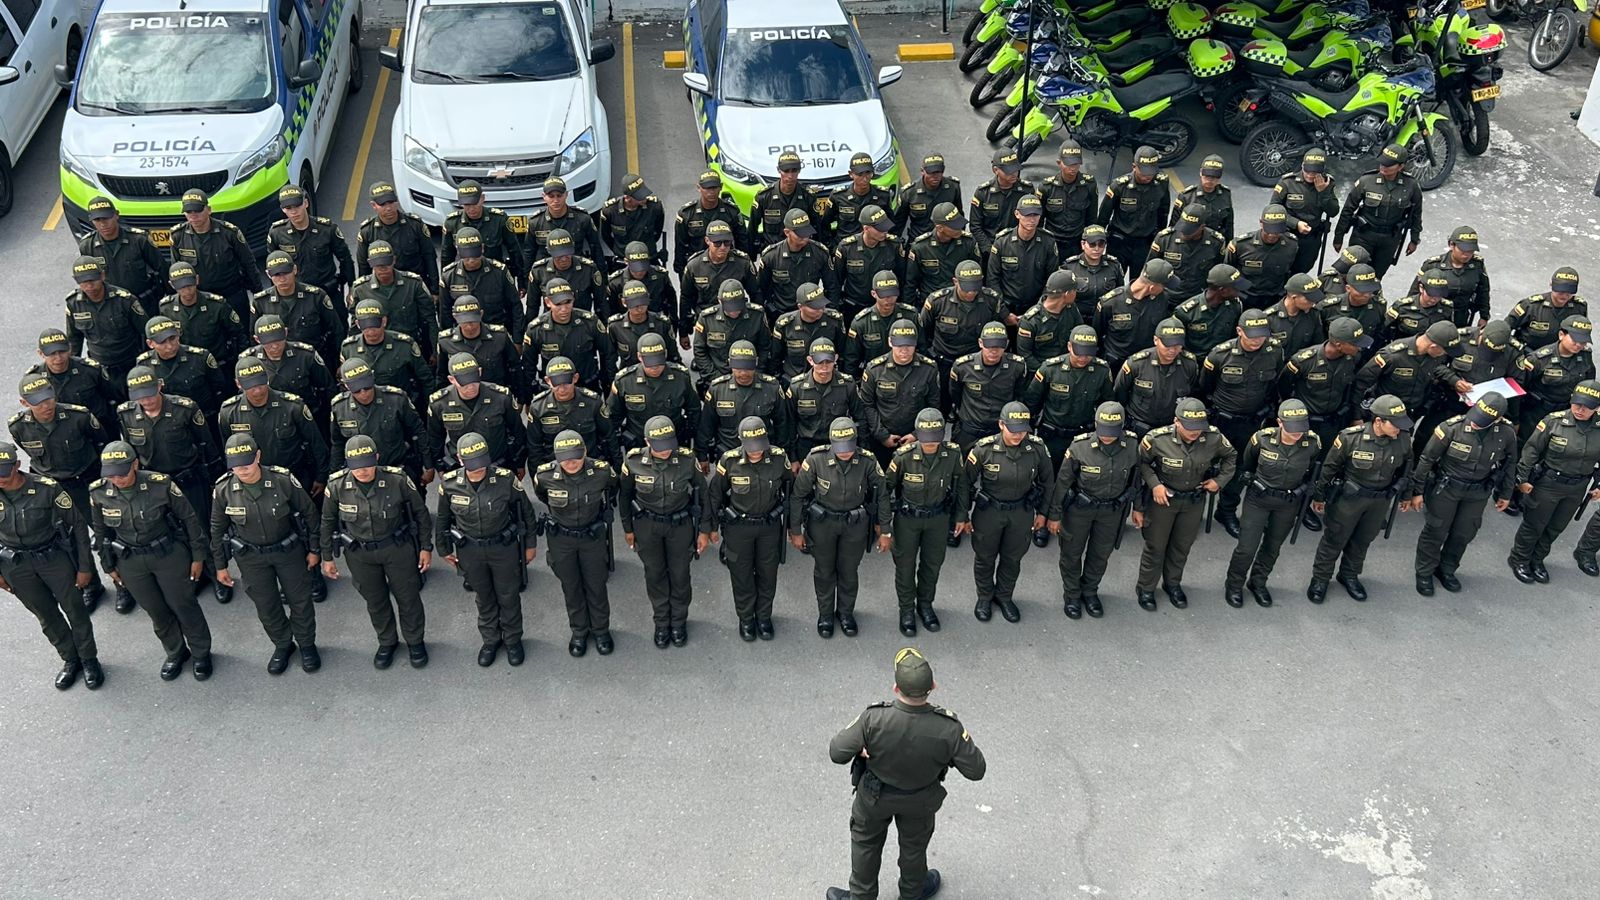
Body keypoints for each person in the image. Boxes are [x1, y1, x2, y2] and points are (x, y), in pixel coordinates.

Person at [825, 648, 986, 900]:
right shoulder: (948, 728)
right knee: (913, 849)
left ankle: (861, 897)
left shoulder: (873, 719)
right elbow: (977, 770)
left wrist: (862, 748)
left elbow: (837, 752)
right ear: (932, 686)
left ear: (895, 688)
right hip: (920, 800)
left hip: (874, 797)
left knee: (866, 845)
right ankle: (912, 893)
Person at [89, 442, 211, 680]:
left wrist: (198, 557)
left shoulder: (160, 484)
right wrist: (108, 565)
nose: (117, 478)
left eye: (122, 472)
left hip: (168, 555)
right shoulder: (98, 492)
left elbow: (189, 519)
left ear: (135, 464)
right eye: (111, 474)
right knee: (156, 610)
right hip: (131, 560)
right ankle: (176, 652)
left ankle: (201, 652)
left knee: (183, 605)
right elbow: (101, 533)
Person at [210, 434, 321, 674]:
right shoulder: (223, 489)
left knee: (300, 601)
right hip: (251, 558)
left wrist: (315, 549)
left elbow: (310, 513)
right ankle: (282, 644)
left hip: (287, 551)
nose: (243, 470)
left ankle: (306, 644)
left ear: (258, 456)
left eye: (247, 463)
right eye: (236, 465)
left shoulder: (282, 480)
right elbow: (217, 530)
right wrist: (220, 566)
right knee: (266, 605)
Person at [320, 435, 433, 670]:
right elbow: (327, 521)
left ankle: (415, 641)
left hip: (397, 548)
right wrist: (327, 557)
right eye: (356, 466)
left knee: (408, 597)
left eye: (367, 464)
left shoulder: (397, 480)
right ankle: (387, 641)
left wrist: (425, 547)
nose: (362, 471)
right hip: (359, 553)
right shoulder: (337, 485)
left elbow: (421, 514)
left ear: (377, 458)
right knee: (375, 600)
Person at [117, 365, 226, 601]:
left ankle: (217, 573)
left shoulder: (184, 408)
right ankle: (195, 576)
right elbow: (131, 452)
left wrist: (214, 479)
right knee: (177, 531)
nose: (145, 399)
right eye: (139, 395)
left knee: (201, 528)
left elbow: (206, 443)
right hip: (156, 485)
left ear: (160, 386)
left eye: (149, 392)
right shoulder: (126, 414)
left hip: (189, 478)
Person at [0, 442, 100, 690]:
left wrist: (85, 567)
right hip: (16, 565)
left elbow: (77, 525)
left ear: (17, 466)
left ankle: (89, 659)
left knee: (75, 610)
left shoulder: (47, 488)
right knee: (45, 615)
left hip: (53, 558)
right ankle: (70, 659)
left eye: (4, 471)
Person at [436, 433, 539, 666]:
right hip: (470, 550)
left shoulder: (505, 479)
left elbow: (526, 513)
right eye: (472, 465)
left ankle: (513, 640)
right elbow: (443, 519)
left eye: (482, 463)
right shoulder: (450, 484)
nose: (478, 469)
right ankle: (491, 640)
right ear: (460, 460)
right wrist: (443, 550)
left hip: (503, 547)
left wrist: (530, 545)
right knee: (483, 597)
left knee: (508, 596)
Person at [11, 374, 111, 610]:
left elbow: (101, 444)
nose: (46, 405)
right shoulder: (18, 426)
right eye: (38, 402)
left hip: (84, 482)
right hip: (52, 490)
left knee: (105, 533)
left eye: (49, 398)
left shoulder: (78, 416)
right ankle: (91, 585)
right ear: (25, 403)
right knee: (69, 540)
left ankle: (122, 580)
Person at [1307, 395, 1416, 603]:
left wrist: (1407, 494)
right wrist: (1319, 496)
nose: (1399, 429)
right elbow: (1329, 468)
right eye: (1395, 424)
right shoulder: (1350, 438)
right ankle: (1320, 579)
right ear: (1378, 422)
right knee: (1334, 539)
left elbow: (1406, 469)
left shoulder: (1402, 439)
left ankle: (1349, 575)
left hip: (1379, 501)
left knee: (1363, 540)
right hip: (1349, 500)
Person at [1133, 398, 1237, 609]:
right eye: (1189, 427)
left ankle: (1172, 584)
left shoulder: (1213, 437)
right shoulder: (1156, 438)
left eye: (1199, 428)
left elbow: (1231, 456)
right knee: (1156, 546)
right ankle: (1146, 588)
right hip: (1163, 501)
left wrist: (1220, 481)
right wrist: (1154, 484)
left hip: (1193, 500)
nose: (1194, 432)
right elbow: (1140, 463)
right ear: (1176, 421)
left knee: (1182, 546)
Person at [1410, 391, 1516, 595]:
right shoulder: (1451, 428)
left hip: (1477, 492)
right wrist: (1418, 491)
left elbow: (1510, 464)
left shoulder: (1506, 433)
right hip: (1447, 488)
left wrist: (1506, 493)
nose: (1476, 423)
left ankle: (1447, 569)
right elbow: (1427, 459)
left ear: (1498, 419)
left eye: (1483, 421)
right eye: (1476, 416)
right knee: (1435, 530)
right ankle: (1424, 572)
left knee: (1464, 533)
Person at [792, 417, 887, 638]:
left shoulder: (867, 460)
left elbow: (881, 495)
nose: (844, 452)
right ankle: (825, 614)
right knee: (824, 571)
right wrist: (795, 530)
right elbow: (798, 495)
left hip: (854, 525)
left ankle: (845, 613)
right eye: (840, 448)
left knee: (848, 571)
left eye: (848, 447)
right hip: (823, 524)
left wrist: (885, 529)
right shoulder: (816, 459)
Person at [619, 416, 708, 648]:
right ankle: (661, 622)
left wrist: (705, 530)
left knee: (680, 574)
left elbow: (704, 494)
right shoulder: (633, 461)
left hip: (680, 524)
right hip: (647, 525)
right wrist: (628, 528)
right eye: (659, 446)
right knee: (655, 573)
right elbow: (625, 496)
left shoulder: (687, 460)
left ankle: (678, 622)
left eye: (669, 444)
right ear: (647, 441)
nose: (666, 451)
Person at [702, 417, 792, 641]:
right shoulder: (729, 461)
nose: (756, 452)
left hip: (769, 526)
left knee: (767, 573)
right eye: (751, 447)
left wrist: (793, 527)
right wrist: (712, 527)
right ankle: (746, 618)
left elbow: (791, 490)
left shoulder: (779, 458)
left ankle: (763, 617)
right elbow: (715, 495)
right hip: (738, 528)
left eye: (760, 446)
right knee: (741, 575)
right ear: (741, 441)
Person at [1197, 310, 1287, 536]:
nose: (1257, 340)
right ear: (1239, 331)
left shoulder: (1274, 351)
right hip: (1222, 420)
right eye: (1252, 335)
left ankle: (1226, 510)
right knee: (1203, 464)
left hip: (1252, 422)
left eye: (1262, 335)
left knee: (1242, 468)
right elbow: (1204, 388)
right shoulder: (1220, 355)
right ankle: (1191, 510)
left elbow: (1274, 385)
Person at [1223, 401, 1321, 608]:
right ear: (1279, 422)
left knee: (1272, 547)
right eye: (1292, 428)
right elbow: (1248, 465)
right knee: (1246, 547)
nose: (1297, 433)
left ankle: (1258, 582)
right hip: (1259, 499)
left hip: (1288, 502)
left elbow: (1311, 469)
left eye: (1301, 428)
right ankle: (1234, 585)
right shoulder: (1261, 439)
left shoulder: (1312, 443)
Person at [1279, 317, 1372, 531]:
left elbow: (1351, 388)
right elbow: (1283, 389)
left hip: (1333, 420)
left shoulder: (1352, 358)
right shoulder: (1303, 360)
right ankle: (1296, 506)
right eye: (1354, 343)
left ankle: (1315, 500)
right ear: (1338, 344)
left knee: (1326, 464)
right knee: (1300, 464)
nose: (1359, 348)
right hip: (1306, 422)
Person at [1046, 401, 1138, 618]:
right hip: (1080, 510)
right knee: (1071, 553)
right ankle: (1071, 594)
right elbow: (1062, 483)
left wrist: (1139, 509)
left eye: (1113, 432)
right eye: (1103, 430)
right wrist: (1054, 515)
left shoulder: (1132, 445)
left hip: (1111, 511)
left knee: (1100, 554)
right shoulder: (1080, 447)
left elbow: (1136, 480)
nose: (1107, 436)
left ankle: (1090, 591)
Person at [883, 408, 969, 636]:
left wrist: (961, 515)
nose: (931, 444)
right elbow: (885, 490)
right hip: (908, 520)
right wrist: (882, 525)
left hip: (938, 519)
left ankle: (925, 605)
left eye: (935, 439)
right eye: (926, 439)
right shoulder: (903, 456)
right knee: (905, 566)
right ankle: (906, 610)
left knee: (932, 565)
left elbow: (961, 486)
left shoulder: (952, 454)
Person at [532, 430, 618, 657]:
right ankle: (579, 631)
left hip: (592, 536)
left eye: (576, 457)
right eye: (565, 458)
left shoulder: (601, 471)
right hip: (562, 538)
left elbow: (613, 487)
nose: (571, 463)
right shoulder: (544, 476)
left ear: (585, 452)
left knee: (596, 585)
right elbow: (542, 496)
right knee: (571, 587)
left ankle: (601, 630)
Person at [964, 402, 1052, 622]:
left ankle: (1004, 596)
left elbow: (1048, 483)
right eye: (1013, 429)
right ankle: (984, 596)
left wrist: (1043, 513)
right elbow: (964, 484)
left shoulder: (1037, 449)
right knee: (985, 557)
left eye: (1023, 430)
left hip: (1021, 512)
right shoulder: (983, 449)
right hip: (989, 512)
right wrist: (961, 516)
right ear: (1001, 424)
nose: (1018, 435)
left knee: (1013, 558)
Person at [1513, 382, 1600, 582]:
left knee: (1555, 527)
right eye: (1577, 404)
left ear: (1597, 408)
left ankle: (1537, 559)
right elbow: (1531, 450)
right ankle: (1519, 559)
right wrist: (1522, 478)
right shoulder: (1554, 421)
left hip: (1577, 487)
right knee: (1534, 524)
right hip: (1548, 483)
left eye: (1587, 406)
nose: (1580, 409)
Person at [1024, 325, 1114, 466]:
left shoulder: (1102, 371)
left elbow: (1108, 403)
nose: (1083, 358)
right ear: (1069, 346)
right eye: (1079, 352)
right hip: (1053, 436)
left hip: (1083, 435)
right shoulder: (1050, 369)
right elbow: (1031, 402)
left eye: (1088, 353)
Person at [328, 358, 429, 482]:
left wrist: (428, 465)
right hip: (361, 476)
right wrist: (335, 476)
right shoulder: (339, 407)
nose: (364, 393)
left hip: (397, 470)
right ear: (346, 386)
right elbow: (337, 444)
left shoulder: (395, 398)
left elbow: (418, 430)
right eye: (357, 390)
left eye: (367, 387)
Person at [919, 260, 1007, 400]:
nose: (971, 292)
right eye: (967, 288)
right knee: (942, 400)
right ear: (955, 281)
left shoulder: (991, 300)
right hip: (944, 361)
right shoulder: (937, 301)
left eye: (975, 287)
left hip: (974, 365)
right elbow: (923, 331)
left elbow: (994, 330)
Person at [168, 188, 262, 319]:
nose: (193, 216)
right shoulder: (178, 236)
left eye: (198, 210)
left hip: (231, 295)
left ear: (209, 210)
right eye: (189, 212)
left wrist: (258, 294)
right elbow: (176, 272)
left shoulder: (229, 233)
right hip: (200, 299)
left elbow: (248, 263)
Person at [860, 320, 942, 468]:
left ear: (916, 344)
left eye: (909, 345)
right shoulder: (874, 369)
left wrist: (916, 435)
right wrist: (882, 435)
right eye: (899, 345)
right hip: (882, 439)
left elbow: (933, 405)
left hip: (916, 439)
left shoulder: (929, 369)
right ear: (890, 342)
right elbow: (867, 405)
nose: (904, 350)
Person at [426, 354, 526, 475]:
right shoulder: (439, 403)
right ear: (452, 380)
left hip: (499, 464)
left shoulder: (501, 397)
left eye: (473, 380)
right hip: (461, 469)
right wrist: (440, 467)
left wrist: (519, 463)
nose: (471, 387)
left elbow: (518, 431)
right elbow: (435, 438)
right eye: (464, 383)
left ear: (479, 372)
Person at [1333, 143, 1422, 278]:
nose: (1383, 167)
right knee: (1354, 274)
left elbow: (1416, 213)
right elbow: (1348, 210)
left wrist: (1414, 239)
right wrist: (1338, 236)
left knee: (1376, 277)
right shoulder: (1366, 181)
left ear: (1401, 167)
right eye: (1382, 163)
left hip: (1389, 239)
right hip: (1364, 236)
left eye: (1389, 165)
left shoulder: (1411, 185)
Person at [697, 340, 791, 463]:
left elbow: (782, 424)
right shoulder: (717, 389)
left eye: (748, 367)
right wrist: (702, 456)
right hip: (729, 455)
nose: (743, 373)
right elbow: (706, 426)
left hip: (761, 454)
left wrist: (783, 455)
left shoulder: (771, 387)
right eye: (738, 368)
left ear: (756, 362)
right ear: (730, 363)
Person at [605, 333, 700, 454]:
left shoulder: (681, 377)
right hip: (638, 445)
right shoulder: (624, 381)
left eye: (658, 361)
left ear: (665, 354)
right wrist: (614, 454)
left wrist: (698, 449)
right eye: (650, 361)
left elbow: (695, 411)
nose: (655, 367)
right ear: (639, 356)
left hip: (671, 444)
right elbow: (612, 418)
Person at [251, 251, 344, 369]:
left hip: (318, 358)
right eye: (277, 274)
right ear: (268, 275)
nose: (282, 279)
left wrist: (341, 362)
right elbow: (255, 339)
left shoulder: (316, 296)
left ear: (294, 269)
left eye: (286, 272)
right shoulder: (261, 302)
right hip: (282, 365)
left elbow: (336, 330)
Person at [64, 255, 149, 382]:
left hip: (131, 364)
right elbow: (74, 339)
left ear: (102, 276)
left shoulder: (124, 300)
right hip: (101, 368)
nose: (89, 287)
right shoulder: (74, 304)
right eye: (83, 282)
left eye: (92, 280)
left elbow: (146, 330)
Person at [268, 184, 356, 306]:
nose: (294, 212)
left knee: (340, 323)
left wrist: (351, 288)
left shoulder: (327, 229)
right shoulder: (277, 233)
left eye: (297, 206)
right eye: (288, 208)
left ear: (306, 203)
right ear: (283, 209)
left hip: (327, 292)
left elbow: (345, 258)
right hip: (298, 298)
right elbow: (274, 267)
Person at [352, 240, 440, 362]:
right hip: (377, 352)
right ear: (370, 264)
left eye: (386, 263)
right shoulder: (360, 289)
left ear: (394, 260)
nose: (383, 268)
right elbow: (355, 327)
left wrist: (435, 351)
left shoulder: (413, 283)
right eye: (378, 264)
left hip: (412, 348)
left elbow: (430, 319)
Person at [341, 299, 436, 412]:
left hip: (401, 407)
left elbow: (425, 378)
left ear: (384, 321)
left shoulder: (404, 344)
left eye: (375, 324)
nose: (371, 331)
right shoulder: (348, 348)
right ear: (357, 324)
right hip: (366, 409)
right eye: (365, 325)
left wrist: (429, 408)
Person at [26, 329, 123, 435]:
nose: (58, 358)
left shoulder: (90, 370)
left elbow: (113, 397)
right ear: (41, 353)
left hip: (99, 429)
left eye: (62, 351)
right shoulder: (35, 380)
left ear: (70, 348)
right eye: (52, 354)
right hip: (64, 434)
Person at [1115, 317, 1200, 437]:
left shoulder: (1189, 364)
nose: (1173, 350)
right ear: (1156, 340)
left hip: (1170, 429)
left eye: (1177, 345)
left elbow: (1193, 391)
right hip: (1139, 426)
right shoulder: (1137, 363)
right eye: (1168, 345)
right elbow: (1120, 392)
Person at [1093, 257, 1182, 372]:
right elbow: (1097, 334)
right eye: (1163, 286)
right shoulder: (1110, 303)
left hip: (1146, 364)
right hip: (1116, 364)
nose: (1165, 289)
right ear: (1152, 287)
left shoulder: (1163, 299)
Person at [78, 195, 169, 305]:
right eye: (97, 220)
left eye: (106, 218)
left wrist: (171, 299)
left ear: (116, 215)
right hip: (113, 305)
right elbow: (89, 278)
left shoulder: (138, 239)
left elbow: (161, 268)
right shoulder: (87, 246)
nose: (102, 224)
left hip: (144, 302)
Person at [527, 356, 615, 470]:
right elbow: (534, 447)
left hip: (589, 467)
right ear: (548, 381)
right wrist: (537, 477)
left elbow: (609, 435)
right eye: (557, 384)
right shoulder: (538, 407)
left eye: (566, 383)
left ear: (575, 378)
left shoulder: (593, 402)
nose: (562, 389)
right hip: (554, 469)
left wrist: (617, 467)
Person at [950, 322, 1027, 449]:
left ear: (1006, 344)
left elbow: (1019, 396)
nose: (994, 350)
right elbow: (955, 394)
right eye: (989, 345)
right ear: (980, 343)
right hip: (970, 429)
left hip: (1000, 430)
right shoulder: (962, 367)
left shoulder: (1017, 367)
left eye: (999, 345)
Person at [440, 227, 524, 339]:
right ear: (458, 250)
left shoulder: (499, 272)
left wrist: (518, 340)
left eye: (475, 254)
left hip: (497, 334)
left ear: (482, 248)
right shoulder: (449, 275)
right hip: (465, 335)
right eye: (466, 255)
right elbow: (445, 313)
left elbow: (515, 306)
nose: (471, 260)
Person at [788, 338, 864, 460]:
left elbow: (860, 418)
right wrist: (793, 458)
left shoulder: (847, 384)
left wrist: (862, 451)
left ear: (836, 359)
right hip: (806, 447)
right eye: (820, 362)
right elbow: (789, 424)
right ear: (810, 360)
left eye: (828, 361)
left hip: (839, 446)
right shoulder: (797, 387)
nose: (824, 367)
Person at [680, 221, 759, 339]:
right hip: (707, 323)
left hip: (737, 319)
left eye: (727, 242)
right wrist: (684, 331)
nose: (723, 247)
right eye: (717, 243)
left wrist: (755, 323)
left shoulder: (743, 263)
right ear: (707, 241)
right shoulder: (694, 265)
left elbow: (756, 294)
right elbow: (686, 298)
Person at [159, 261, 248, 366]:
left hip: (218, 363)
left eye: (189, 284)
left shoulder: (216, 305)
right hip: (187, 366)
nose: (187, 290)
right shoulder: (166, 308)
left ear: (197, 280)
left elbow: (239, 334)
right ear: (172, 285)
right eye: (181, 287)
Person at [1097, 145, 1171, 271]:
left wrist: (1160, 240)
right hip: (1119, 243)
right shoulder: (1119, 186)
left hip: (1145, 244)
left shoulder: (1161, 184)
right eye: (1143, 172)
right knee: (1114, 280)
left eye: (1151, 172)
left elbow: (1163, 212)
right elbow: (1103, 216)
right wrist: (1098, 242)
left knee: (1139, 283)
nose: (1147, 176)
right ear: (1134, 167)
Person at [755, 209, 839, 320]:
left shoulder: (820, 253)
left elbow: (832, 287)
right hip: (781, 314)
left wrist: (828, 313)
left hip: (811, 314)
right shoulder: (771, 256)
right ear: (787, 232)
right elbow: (761, 290)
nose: (805, 236)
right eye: (799, 233)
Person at [985, 195, 1059, 320]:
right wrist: (1004, 313)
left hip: (1036, 308)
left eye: (1035, 215)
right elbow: (992, 280)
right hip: (1007, 308)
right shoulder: (1002, 242)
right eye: (1027, 215)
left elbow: (1052, 280)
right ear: (1017, 214)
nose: (1032, 219)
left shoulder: (1048, 242)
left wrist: (1039, 310)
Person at [357, 181, 438, 292]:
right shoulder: (367, 231)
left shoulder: (415, 225)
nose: (388, 208)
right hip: (384, 288)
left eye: (391, 202)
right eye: (383, 204)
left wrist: (434, 290)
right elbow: (363, 266)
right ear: (373, 205)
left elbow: (429, 257)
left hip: (415, 286)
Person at [1271, 147, 1340, 274]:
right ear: (1302, 165)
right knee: (1282, 269)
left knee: (1303, 269)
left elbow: (1333, 211)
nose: (1310, 175)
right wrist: (1295, 223)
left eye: (1314, 173)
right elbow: (1273, 209)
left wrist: (1323, 193)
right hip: (1289, 234)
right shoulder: (1288, 182)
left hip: (1311, 238)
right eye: (1307, 171)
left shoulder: (1327, 183)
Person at [1408, 225, 1490, 328]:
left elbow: (1483, 291)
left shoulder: (1478, 265)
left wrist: (1484, 316)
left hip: (1462, 315)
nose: (1467, 255)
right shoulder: (1433, 265)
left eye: (1471, 251)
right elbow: (1415, 291)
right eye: (1463, 250)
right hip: (1435, 315)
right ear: (1451, 245)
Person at [441, 181, 526, 279]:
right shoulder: (452, 222)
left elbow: (514, 249)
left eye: (474, 203)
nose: (471, 209)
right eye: (467, 205)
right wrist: (444, 282)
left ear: (482, 198)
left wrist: (521, 281)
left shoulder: (499, 219)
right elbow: (446, 255)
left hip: (494, 274)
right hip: (465, 276)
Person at [833, 206, 905, 319]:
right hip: (854, 306)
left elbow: (903, 277)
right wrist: (835, 309)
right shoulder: (847, 247)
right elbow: (836, 281)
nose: (885, 231)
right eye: (880, 228)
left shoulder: (894, 245)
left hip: (884, 307)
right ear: (866, 228)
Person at [750, 151, 830, 253]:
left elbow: (817, 229)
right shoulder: (764, 197)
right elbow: (752, 229)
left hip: (801, 250)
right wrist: (754, 253)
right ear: (779, 170)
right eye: (786, 171)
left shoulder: (808, 197)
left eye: (794, 171)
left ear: (799, 171)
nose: (790, 176)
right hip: (773, 253)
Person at [903, 202, 980, 306]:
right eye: (954, 225)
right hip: (932, 303)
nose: (960, 227)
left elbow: (978, 274)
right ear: (940, 228)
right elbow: (911, 283)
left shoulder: (968, 242)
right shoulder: (920, 247)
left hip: (962, 301)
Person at [674, 170, 749, 277]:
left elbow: (742, 240)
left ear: (721, 187)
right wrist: (682, 271)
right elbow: (680, 245)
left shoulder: (731, 211)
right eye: (707, 188)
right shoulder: (686, 214)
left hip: (726, 266)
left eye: (714, 188)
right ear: (698, 188)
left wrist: (744, 265)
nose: (711, 192)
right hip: (698, 268)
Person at [845, 272, 922, 375]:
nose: (888, 299)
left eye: (892, 294)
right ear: (874, 294)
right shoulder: (861, 322)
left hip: (907, 375)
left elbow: (921, 349)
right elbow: (851, 360)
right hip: (875, 377)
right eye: (884, 295)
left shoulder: (911, 316)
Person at [692, 281, 771, 380]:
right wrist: (713, 376)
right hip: (718, 373)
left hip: (749, 373)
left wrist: (757, 373)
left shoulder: (757, 315)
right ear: (719, 301)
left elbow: (765, 347)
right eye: (729, 308)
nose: (734, 311)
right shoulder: (706, 318)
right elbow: (699, 350)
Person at [1147, 204, 1227, 300]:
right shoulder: (1164, 238)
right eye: (1183, 226)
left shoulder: (1216, 242)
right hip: (1167, 298)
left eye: (1189, 230)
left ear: (1202, 227)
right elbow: (1149, 270)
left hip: (1198, 298)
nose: (1183, 232)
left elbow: (1220, 272)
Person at [1225, 204, 1298, 309]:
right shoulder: (1240, 245)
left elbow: (1294, 270)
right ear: (1261, 223)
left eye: (1277, 231)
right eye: (1269, 230)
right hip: (1247, 298)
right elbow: (1228, 272)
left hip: (1275, 298)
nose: (1272, 235)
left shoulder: (1291, 244)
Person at [968, 147, 1036, 257]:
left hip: (1018, 248)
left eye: (1016, 169)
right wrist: (989, 249)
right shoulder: (983, 193)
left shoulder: (1026, 191)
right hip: (990, 248)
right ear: (995, 170)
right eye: (1009, 171)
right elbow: (975, 226)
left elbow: (1033, 220)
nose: (1014, 173)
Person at [1037, 140, 1098, 260]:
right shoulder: (1046, 187)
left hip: (1077, 243)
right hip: (1053, 242)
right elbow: (1038, 220)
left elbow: (1092, 218)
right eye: (1069, 164)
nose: (1073, 168)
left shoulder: (1089, 185)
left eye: (1076, 164)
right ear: (1059, 163)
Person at [772, 283, 848, 379]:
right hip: (794, 380)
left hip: (825, 378)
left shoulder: (834, 320)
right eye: (815, 307)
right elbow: (775, 357)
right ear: (800, 306)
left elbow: (843, 353)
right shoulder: (785, 324)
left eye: (822, 305)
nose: (820, 310)